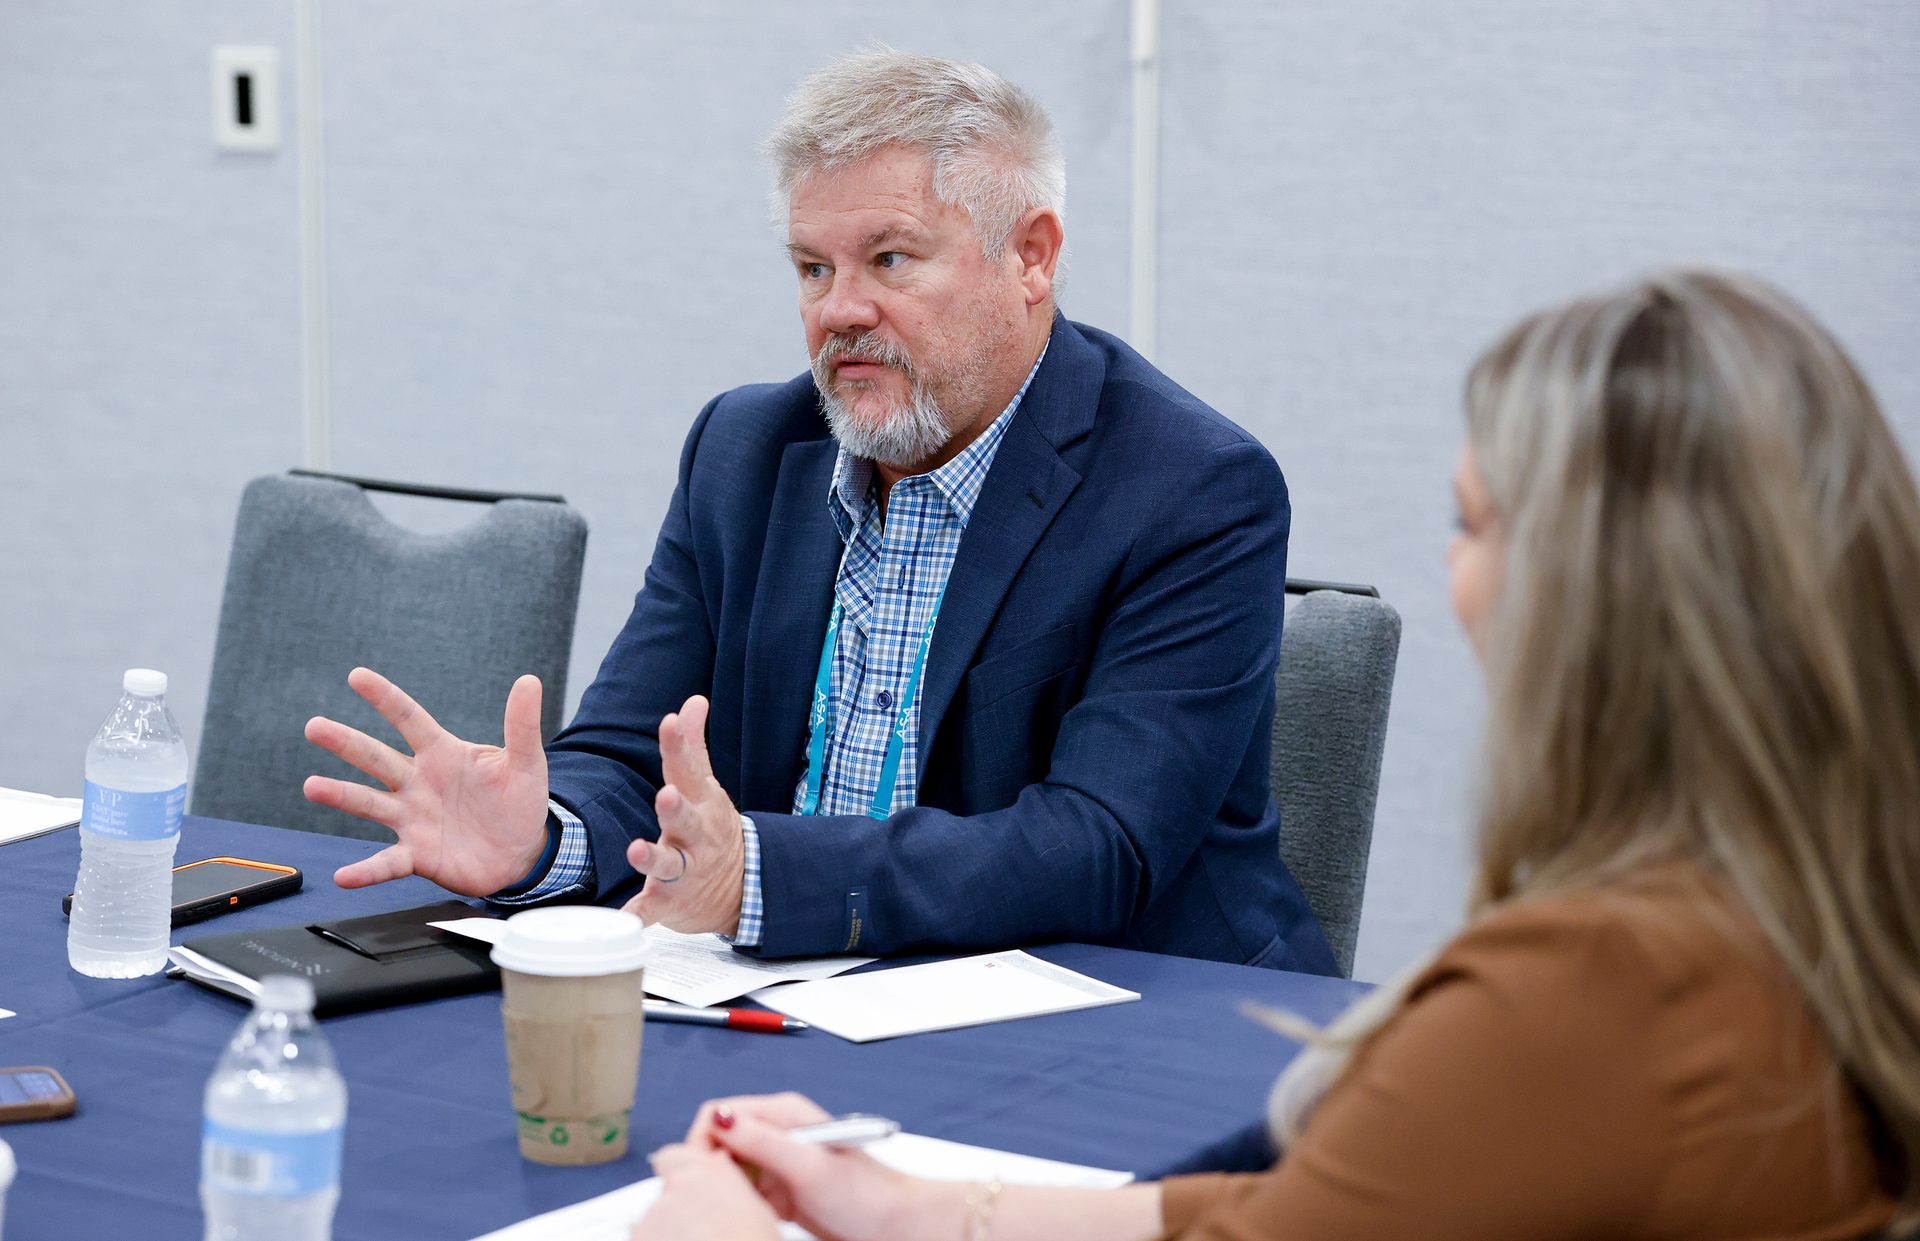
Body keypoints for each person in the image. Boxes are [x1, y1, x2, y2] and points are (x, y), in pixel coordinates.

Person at [629, 270, 1920, 1240]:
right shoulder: (1806, 927)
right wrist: (926, 1211)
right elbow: (1289, 1201)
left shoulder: (1590, 992)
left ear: (1584, 600)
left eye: (1471, 526)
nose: (1454, 573)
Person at [298, 49, 1334, 973]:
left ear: (1031, 255)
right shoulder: (746, 451)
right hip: (800, 994)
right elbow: (629, 758)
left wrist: (759, 874)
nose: (839, 310)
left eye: (889, 259)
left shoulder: (1192, 485)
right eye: (811, 267)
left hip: (1139, 1013)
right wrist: (547, 835)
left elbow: (1098, 845)